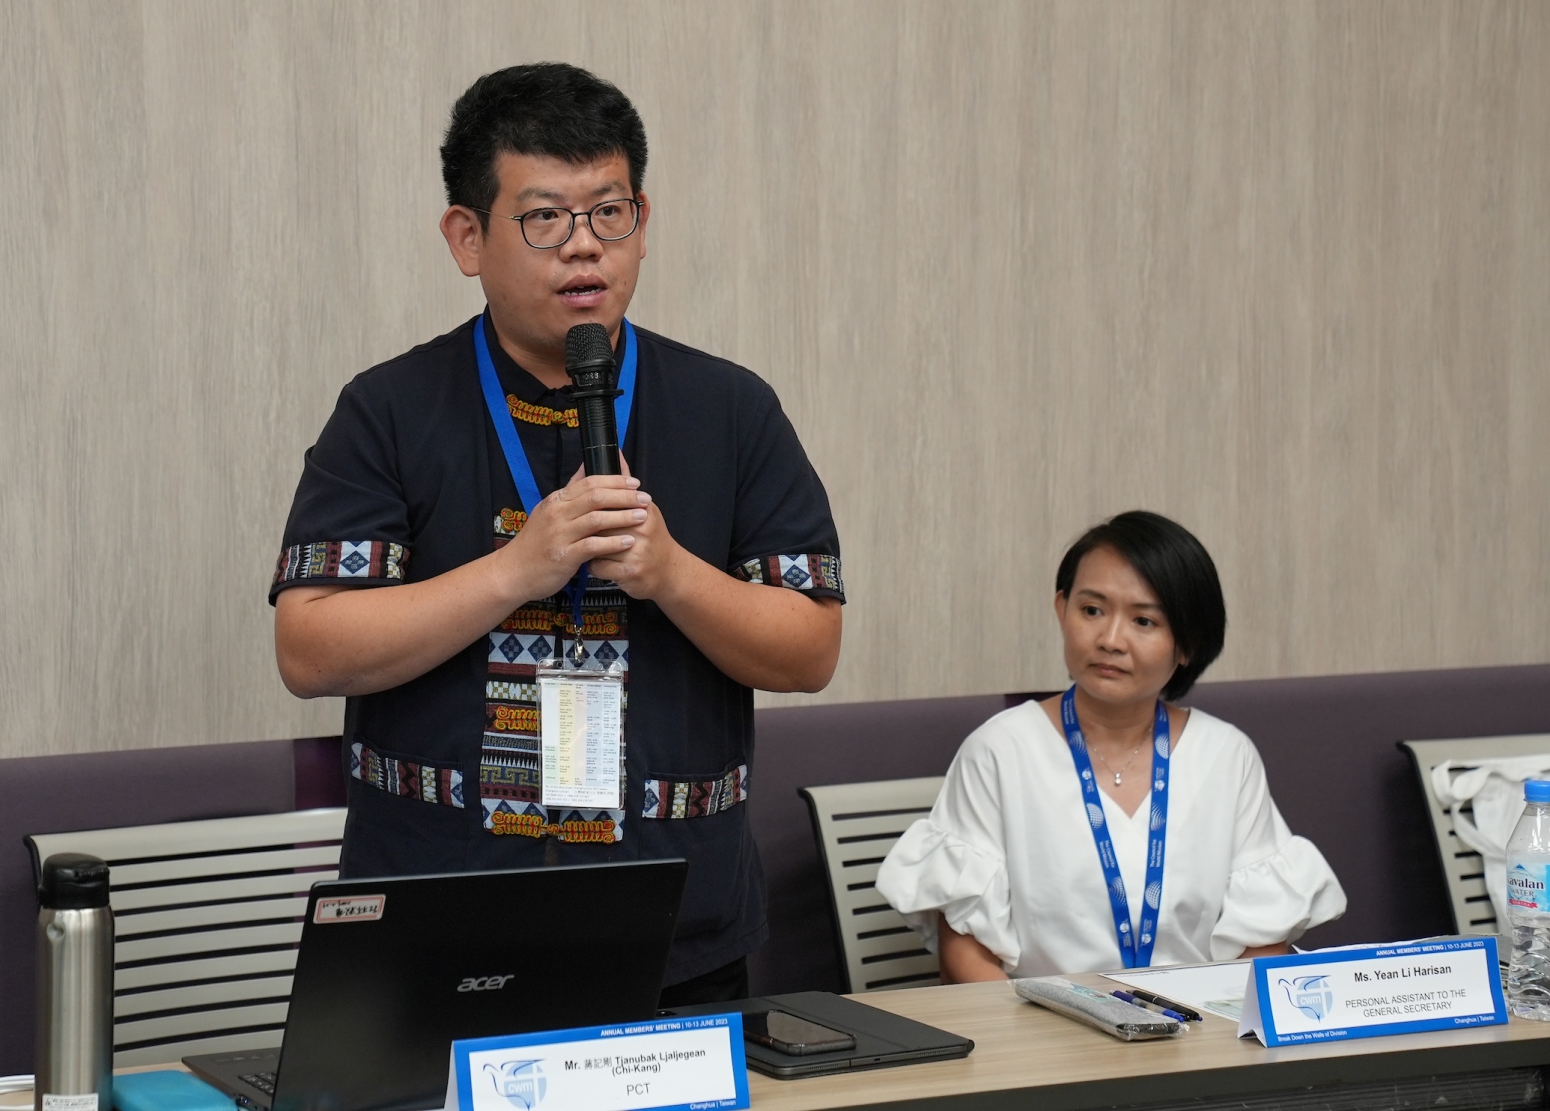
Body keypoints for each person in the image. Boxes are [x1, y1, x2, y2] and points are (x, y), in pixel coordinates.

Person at [269, 63, 844, 1005]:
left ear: (642, 224)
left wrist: (672, 574)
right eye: (544, 218)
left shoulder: (730, 409)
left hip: (674, 925)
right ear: (468, 237)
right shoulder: (389, 410)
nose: (584, 248)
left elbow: (809, 649)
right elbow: (309, 649)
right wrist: (514, 571)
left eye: (608, 213)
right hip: (437, 922)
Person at [876, 511, 1345, 981]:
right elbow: (965, 952)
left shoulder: (1226, 756)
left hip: (1197, 1021)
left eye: (1144, 620)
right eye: (1092, 611)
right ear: (1061, 609)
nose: (1111, 640)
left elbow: (1262, 942)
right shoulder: (999, 750)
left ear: (1187, 644)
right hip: (1040, 1021)